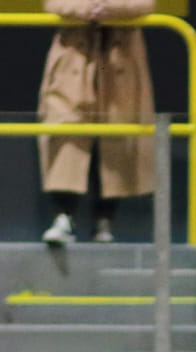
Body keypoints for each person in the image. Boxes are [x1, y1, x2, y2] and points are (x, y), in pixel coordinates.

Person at [38, 0, 156, 246]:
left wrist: (110, 9)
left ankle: (104, 221)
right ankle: (63, 217)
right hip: (74, 59)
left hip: (118, 59)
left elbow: (145, 3)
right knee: (66, 136)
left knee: (116, 139)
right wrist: (87, 8)